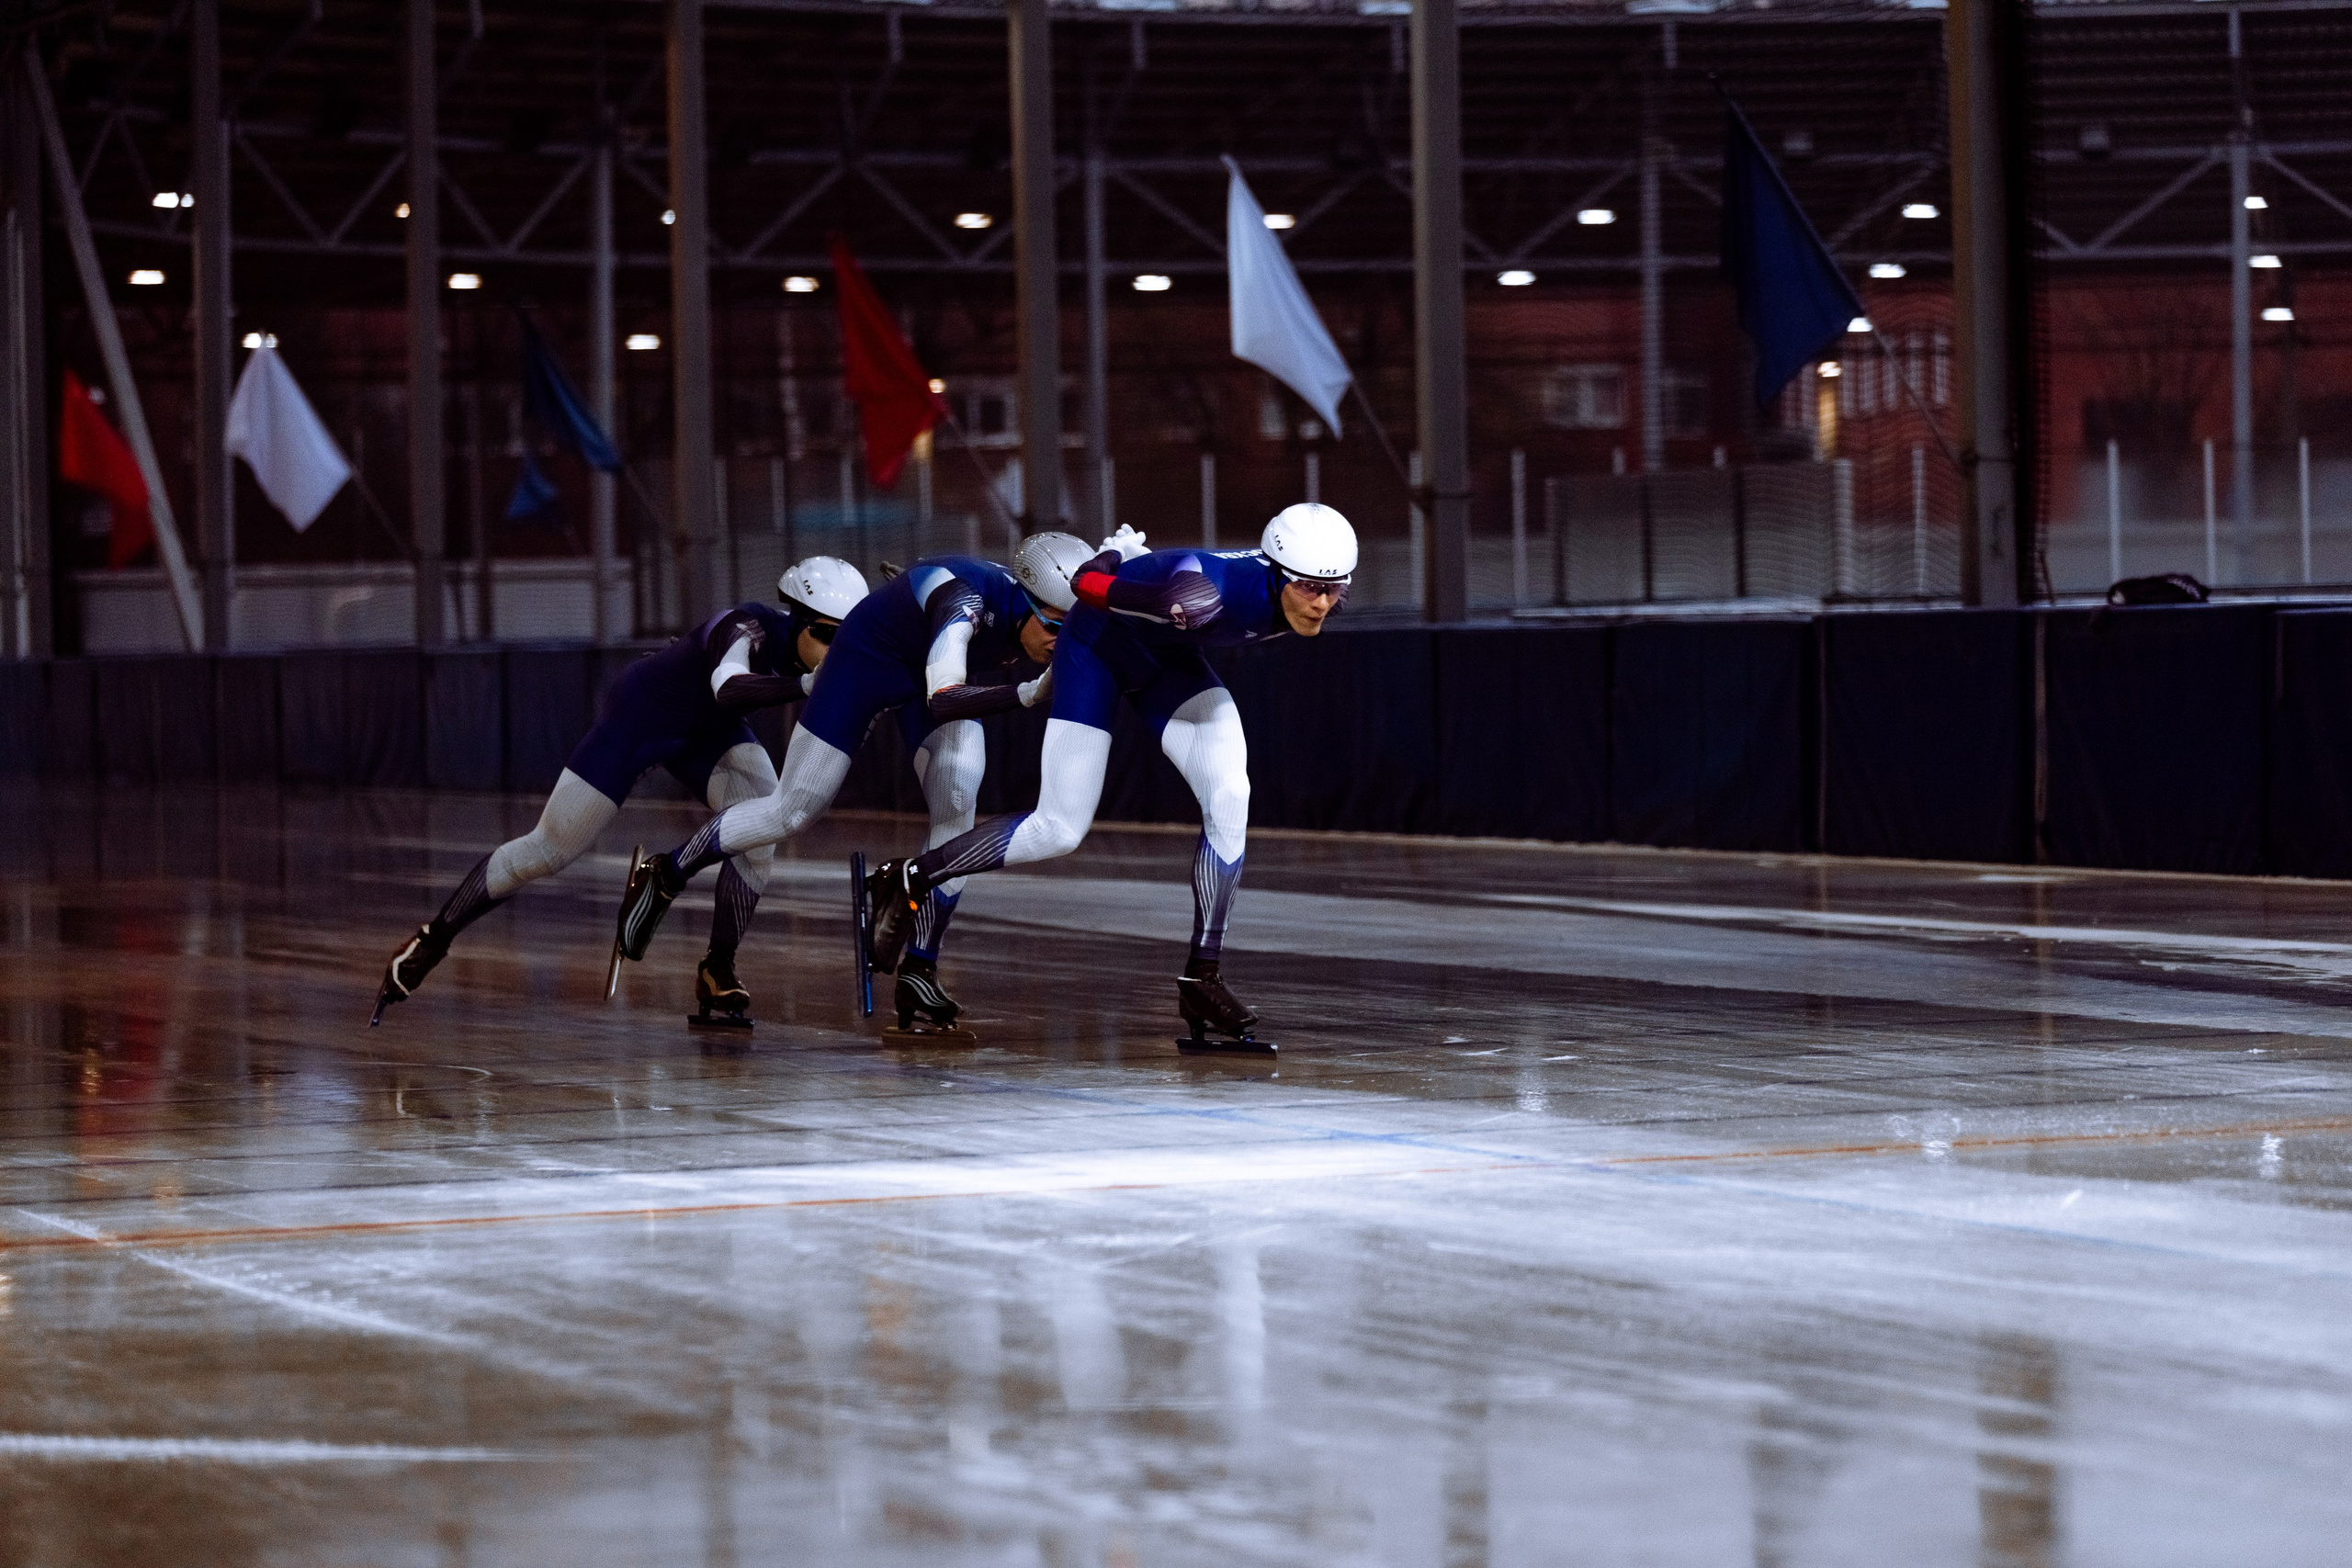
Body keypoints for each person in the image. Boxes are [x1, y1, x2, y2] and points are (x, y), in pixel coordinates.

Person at [860, 503, 1358, 1051]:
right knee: (1059, 829)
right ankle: (911, 875)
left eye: (1336, 590)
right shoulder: (1201, 587)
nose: (1322, 604)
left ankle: (1202, 978)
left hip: (1165, 657)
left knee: (1230, 792)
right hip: (1096, 647)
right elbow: (1087, 582)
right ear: (1278, 572)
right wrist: (1120, 557)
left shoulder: (1297, 595)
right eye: (1312, 588)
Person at [611, 533, 1098, 1033]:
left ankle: (919, 969)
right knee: (792, 811)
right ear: (1024, 598)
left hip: (929, 670)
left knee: (957, 797)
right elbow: (944, 699)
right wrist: (1024, 694)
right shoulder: (966, 602)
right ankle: (666, 872)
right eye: (1055, 626)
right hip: (867, 666)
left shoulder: (1034, 611)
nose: (1060, 640)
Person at [370, 557, 870, 1028]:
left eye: (846, 645)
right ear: (798, 619)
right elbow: (727, 688)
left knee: (763, 826)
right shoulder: (744, 628)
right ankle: (433, 939)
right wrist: (807, 685)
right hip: (641, 717)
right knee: (548, 849)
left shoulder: (818, 655)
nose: (836, 655)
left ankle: (717, 970)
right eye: (828, 638)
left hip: (709, 732)